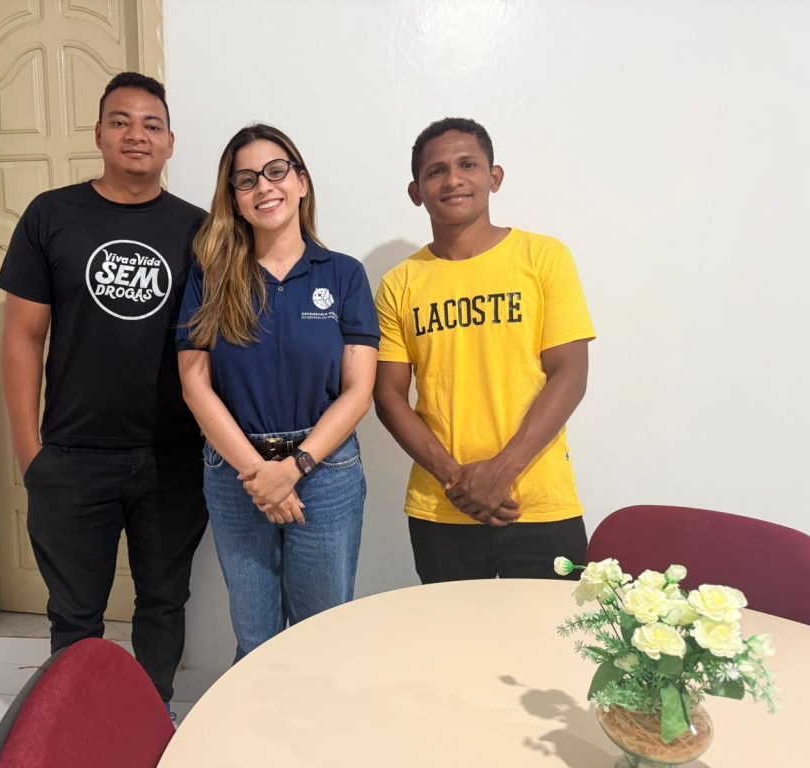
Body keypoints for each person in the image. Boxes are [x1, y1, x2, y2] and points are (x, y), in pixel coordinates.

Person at [0, 72, 207, 704]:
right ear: (98, 134)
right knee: (74, 613)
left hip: (172, 456)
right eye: (120, 121)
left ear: (170, 142)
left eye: (151, 124)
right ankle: (76, 724)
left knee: (164, 601)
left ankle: (153, 716)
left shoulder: (201, 231)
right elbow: (23, 336)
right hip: (71, 456)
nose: (136, 135)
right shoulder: (51, 215)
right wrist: (30, 451)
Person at [176, 124, 379, 660]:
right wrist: (258, 473)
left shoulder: (344, 275)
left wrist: (294, 468)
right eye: (246, 180)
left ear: (302, 182)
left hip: (325, 471)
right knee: (256, 639)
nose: (264, 187)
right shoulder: (209, 276)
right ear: (234, 199)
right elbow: (195, 384)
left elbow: (359, 391)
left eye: (276, 171)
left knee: (322, 635)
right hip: (235, 471)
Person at [374, 117, 595, 582]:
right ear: (416, 191)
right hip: (442, 508)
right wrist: (455, 478)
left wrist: (501, 472)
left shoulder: (544, 258)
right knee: (452, 631)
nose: (453, 179)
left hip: (539, 504)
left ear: (494, 177)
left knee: (552, 630)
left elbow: (570, 373)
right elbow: (388, 396)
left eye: (468, 165)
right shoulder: (399, 284)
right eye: (436, 171)